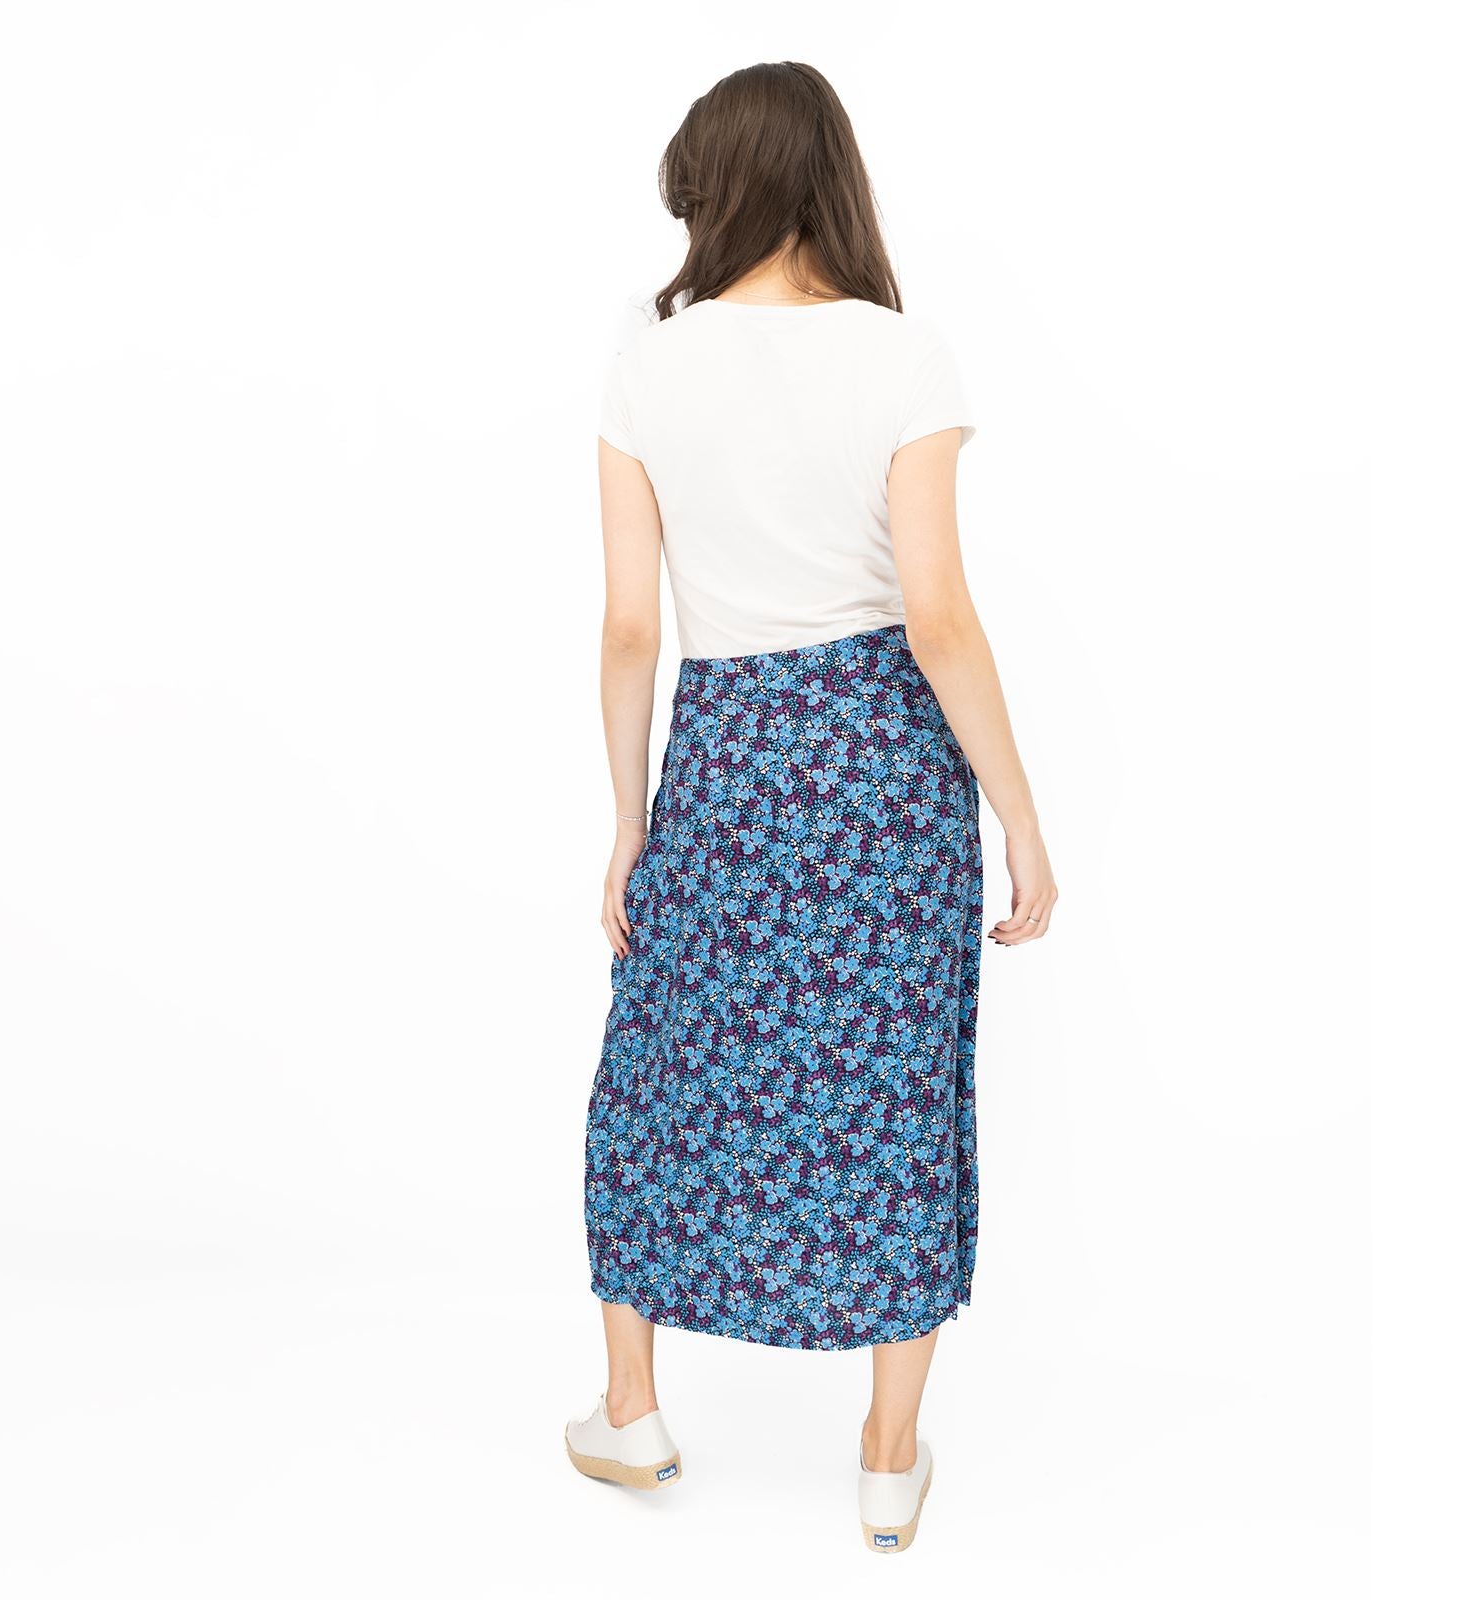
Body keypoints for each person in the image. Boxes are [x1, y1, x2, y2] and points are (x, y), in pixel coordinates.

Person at [566, 61, 1057, 1554]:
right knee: (896, 1078)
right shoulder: (905, 356)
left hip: (726, 759)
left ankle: (632, 1413)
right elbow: (939, 619)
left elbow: (632, 629)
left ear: (717, 193)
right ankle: (889, 1459)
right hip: (885, 767)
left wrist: (630, 819)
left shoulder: (650, 368)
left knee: (660, 1066)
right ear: (832, 179)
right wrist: (1020, 817)